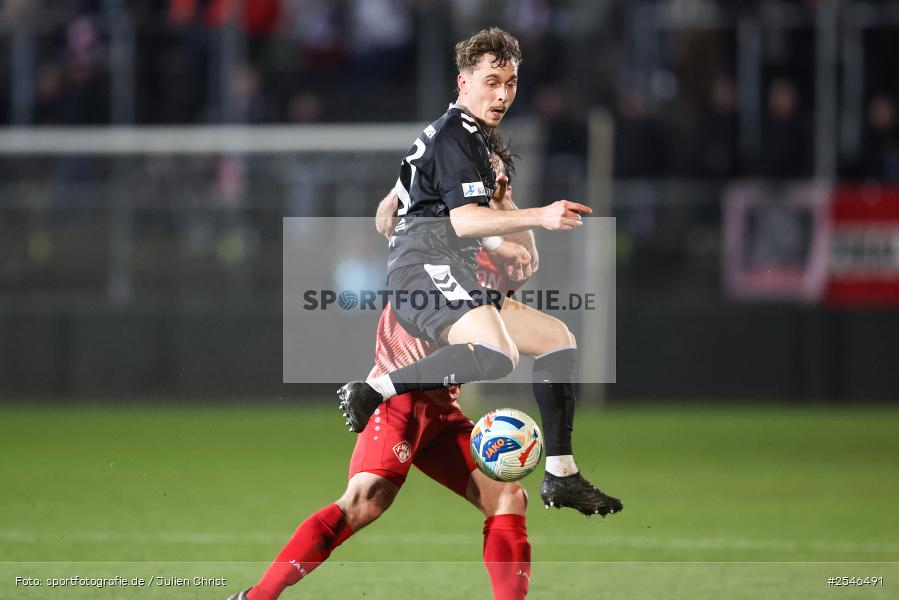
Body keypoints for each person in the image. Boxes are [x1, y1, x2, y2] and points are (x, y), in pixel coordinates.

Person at [338, 27, 622, 517]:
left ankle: (561, 473)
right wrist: (539, 214)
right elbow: (462, 219)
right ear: (462, 82)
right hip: (426, 268)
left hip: (443, 263)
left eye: (511, 83)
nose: (503, 94)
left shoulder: (469, 140)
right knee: (497, 355)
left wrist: (500, 213)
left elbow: (396, 211)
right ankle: (372, 390)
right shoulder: (457, 135)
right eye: (492, 81)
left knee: (558, 339)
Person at [228, 160, 535, 600]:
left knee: (508, 498)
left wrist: (504, 199)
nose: (488, 174)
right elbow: (387, 217)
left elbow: (527, 258)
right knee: (365, 500)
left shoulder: (498, 255)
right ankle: (257, 598)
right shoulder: (435, 232)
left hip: (442, 408)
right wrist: (410, 180)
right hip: (398, 398)